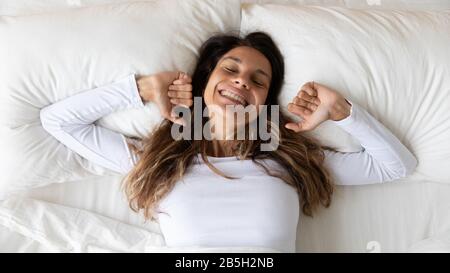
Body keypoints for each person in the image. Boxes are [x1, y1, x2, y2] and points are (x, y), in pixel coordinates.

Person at [40, 32, 417, 252]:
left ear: (265, 102)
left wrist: (341, 111)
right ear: (206, 80)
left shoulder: (289, 159)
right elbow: (58, 120)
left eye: (258, 80)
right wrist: (142, 88)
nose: (241, 82)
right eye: (231, 69)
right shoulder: (158, 159)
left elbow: (396, 166)